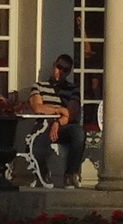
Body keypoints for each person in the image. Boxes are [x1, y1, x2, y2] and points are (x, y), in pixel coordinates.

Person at [32, 53, 87, 188]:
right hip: (44, 125)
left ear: (68, 72)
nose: (60, 71)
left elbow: (71, 113)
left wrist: (57, 122)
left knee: (78, 133)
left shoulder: (72, 89)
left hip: (63, 126)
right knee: (36, 141)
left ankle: (70, 174)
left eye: (65, 70)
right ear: (54, 65)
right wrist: (59, 110)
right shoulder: (39, 86)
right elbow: (37, 107)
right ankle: (42, 173)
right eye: (59, 67)